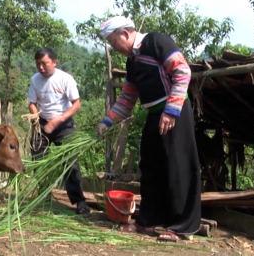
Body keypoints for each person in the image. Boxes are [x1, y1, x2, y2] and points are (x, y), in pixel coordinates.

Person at [97, 16, 201, 242]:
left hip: (175, 112)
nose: (115, 48)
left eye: (114, 42)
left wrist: (172, 109)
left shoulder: (157, 42)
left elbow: (182, 71)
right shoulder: (132, 61)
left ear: (125, 33)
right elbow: (128, 97)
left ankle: (181, 227)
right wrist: (108, 121)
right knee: (150, 166)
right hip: (155, 114)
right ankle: (147, 221)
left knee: (177, 167)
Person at [27, 47, 90, 214]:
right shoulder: (35, 80)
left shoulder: (65, 79)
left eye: (44, 63)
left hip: (63, 123)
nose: (41, 67)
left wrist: (58, 121)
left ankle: (79, 201)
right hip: (42, 123)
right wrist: (35, 116)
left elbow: (76, 104)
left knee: (70, 161)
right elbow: (32, 103)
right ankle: (44, 196)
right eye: (38, 64)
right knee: (38, 158)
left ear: (54, 62)